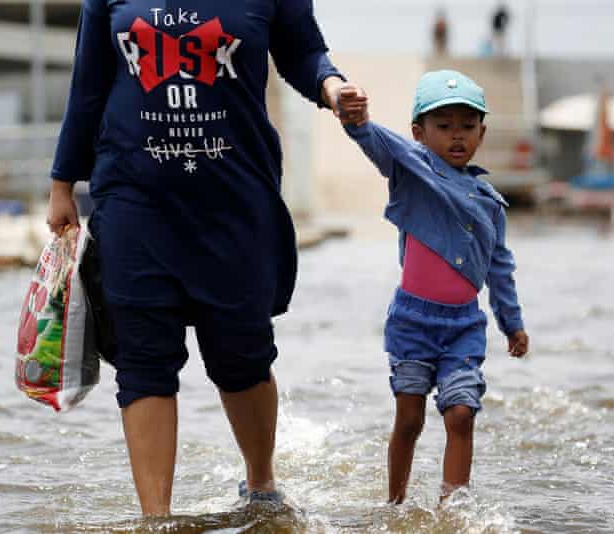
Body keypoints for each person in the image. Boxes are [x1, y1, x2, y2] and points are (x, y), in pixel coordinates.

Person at [45, 0, 351, 516]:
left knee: (242, 353)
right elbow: (89, 83)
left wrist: (332, 87)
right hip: (133, 198)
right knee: (143, 360)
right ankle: (156, 520)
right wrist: (61, 184)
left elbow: (303, 51)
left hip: (235, 199)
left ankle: (261, 485)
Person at [335, 70, 529, 503]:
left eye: (467, 126)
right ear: (420, 133)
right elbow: (377, 143)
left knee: (461, 414)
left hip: (463, 325)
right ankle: (395, 505)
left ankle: (451, 510)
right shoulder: (412, 170)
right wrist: (358, 121)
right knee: (409, 420)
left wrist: (511, 323)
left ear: (482, 132)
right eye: (444, 127)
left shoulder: (490, 203)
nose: (456, 136)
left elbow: (500, 268)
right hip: (413, 321)